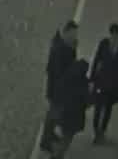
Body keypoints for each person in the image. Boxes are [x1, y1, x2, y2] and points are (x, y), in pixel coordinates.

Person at [92, 24, 118, 142]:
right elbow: (96, 60)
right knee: (98, 107)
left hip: (114, 81)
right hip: (102, 80)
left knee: (108, 108)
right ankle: (97, 132)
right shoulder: (104, 43)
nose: (114, 37)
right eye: (112, 35)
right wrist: (92, 78)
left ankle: (102, 130)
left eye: (115, 35)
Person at [40, 22, 79, 151]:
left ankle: (49, 135)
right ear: (67, 32)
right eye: (73, 34)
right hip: (57, 89)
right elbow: (59, 71)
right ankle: (45, 141)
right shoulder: (60, 49)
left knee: (54, 114)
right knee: (53, 115)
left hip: (58, 88)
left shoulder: (64, 45)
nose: (75, 36)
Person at [48, 58, 91, 157]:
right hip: (75, 117)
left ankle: (57, 153)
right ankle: (57, 155)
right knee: (67, 138)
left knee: (64, 135)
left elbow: (57, 93)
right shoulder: (83, 83)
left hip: (63, 113)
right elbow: (88, 101)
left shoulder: (66, 77)